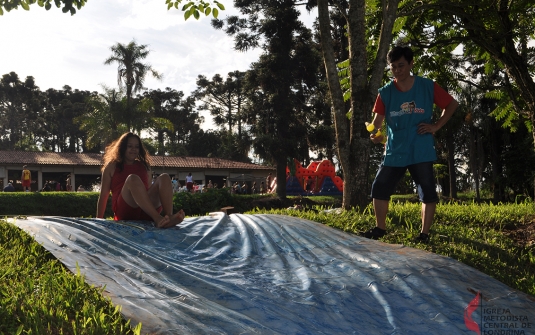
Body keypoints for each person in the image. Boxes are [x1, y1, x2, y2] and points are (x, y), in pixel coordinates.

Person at [362, 45, 458, 243]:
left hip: (420, 148)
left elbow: (451, 104)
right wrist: (376, 136)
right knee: (379, 187)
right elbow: (377, 123)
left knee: (427, 191)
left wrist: (436, 126)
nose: (397, 70)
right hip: (395, 149)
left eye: (401, 65)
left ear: (411, 63)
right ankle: (380, 229)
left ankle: (424, 234)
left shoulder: (427, 86)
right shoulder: (385, 92)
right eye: (393, 67)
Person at [96, 132, 185, 228]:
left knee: (165, 177)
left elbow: (149, 190)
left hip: (145, 211)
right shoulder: (111, 166)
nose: (133, 149)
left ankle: (168, 217)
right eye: (130, 146)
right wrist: (98, 220)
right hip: (125, 211)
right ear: (122, 147)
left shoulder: (144, 166)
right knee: (132, 179)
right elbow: (104, 195)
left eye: (137, 147)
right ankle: (158, 218)